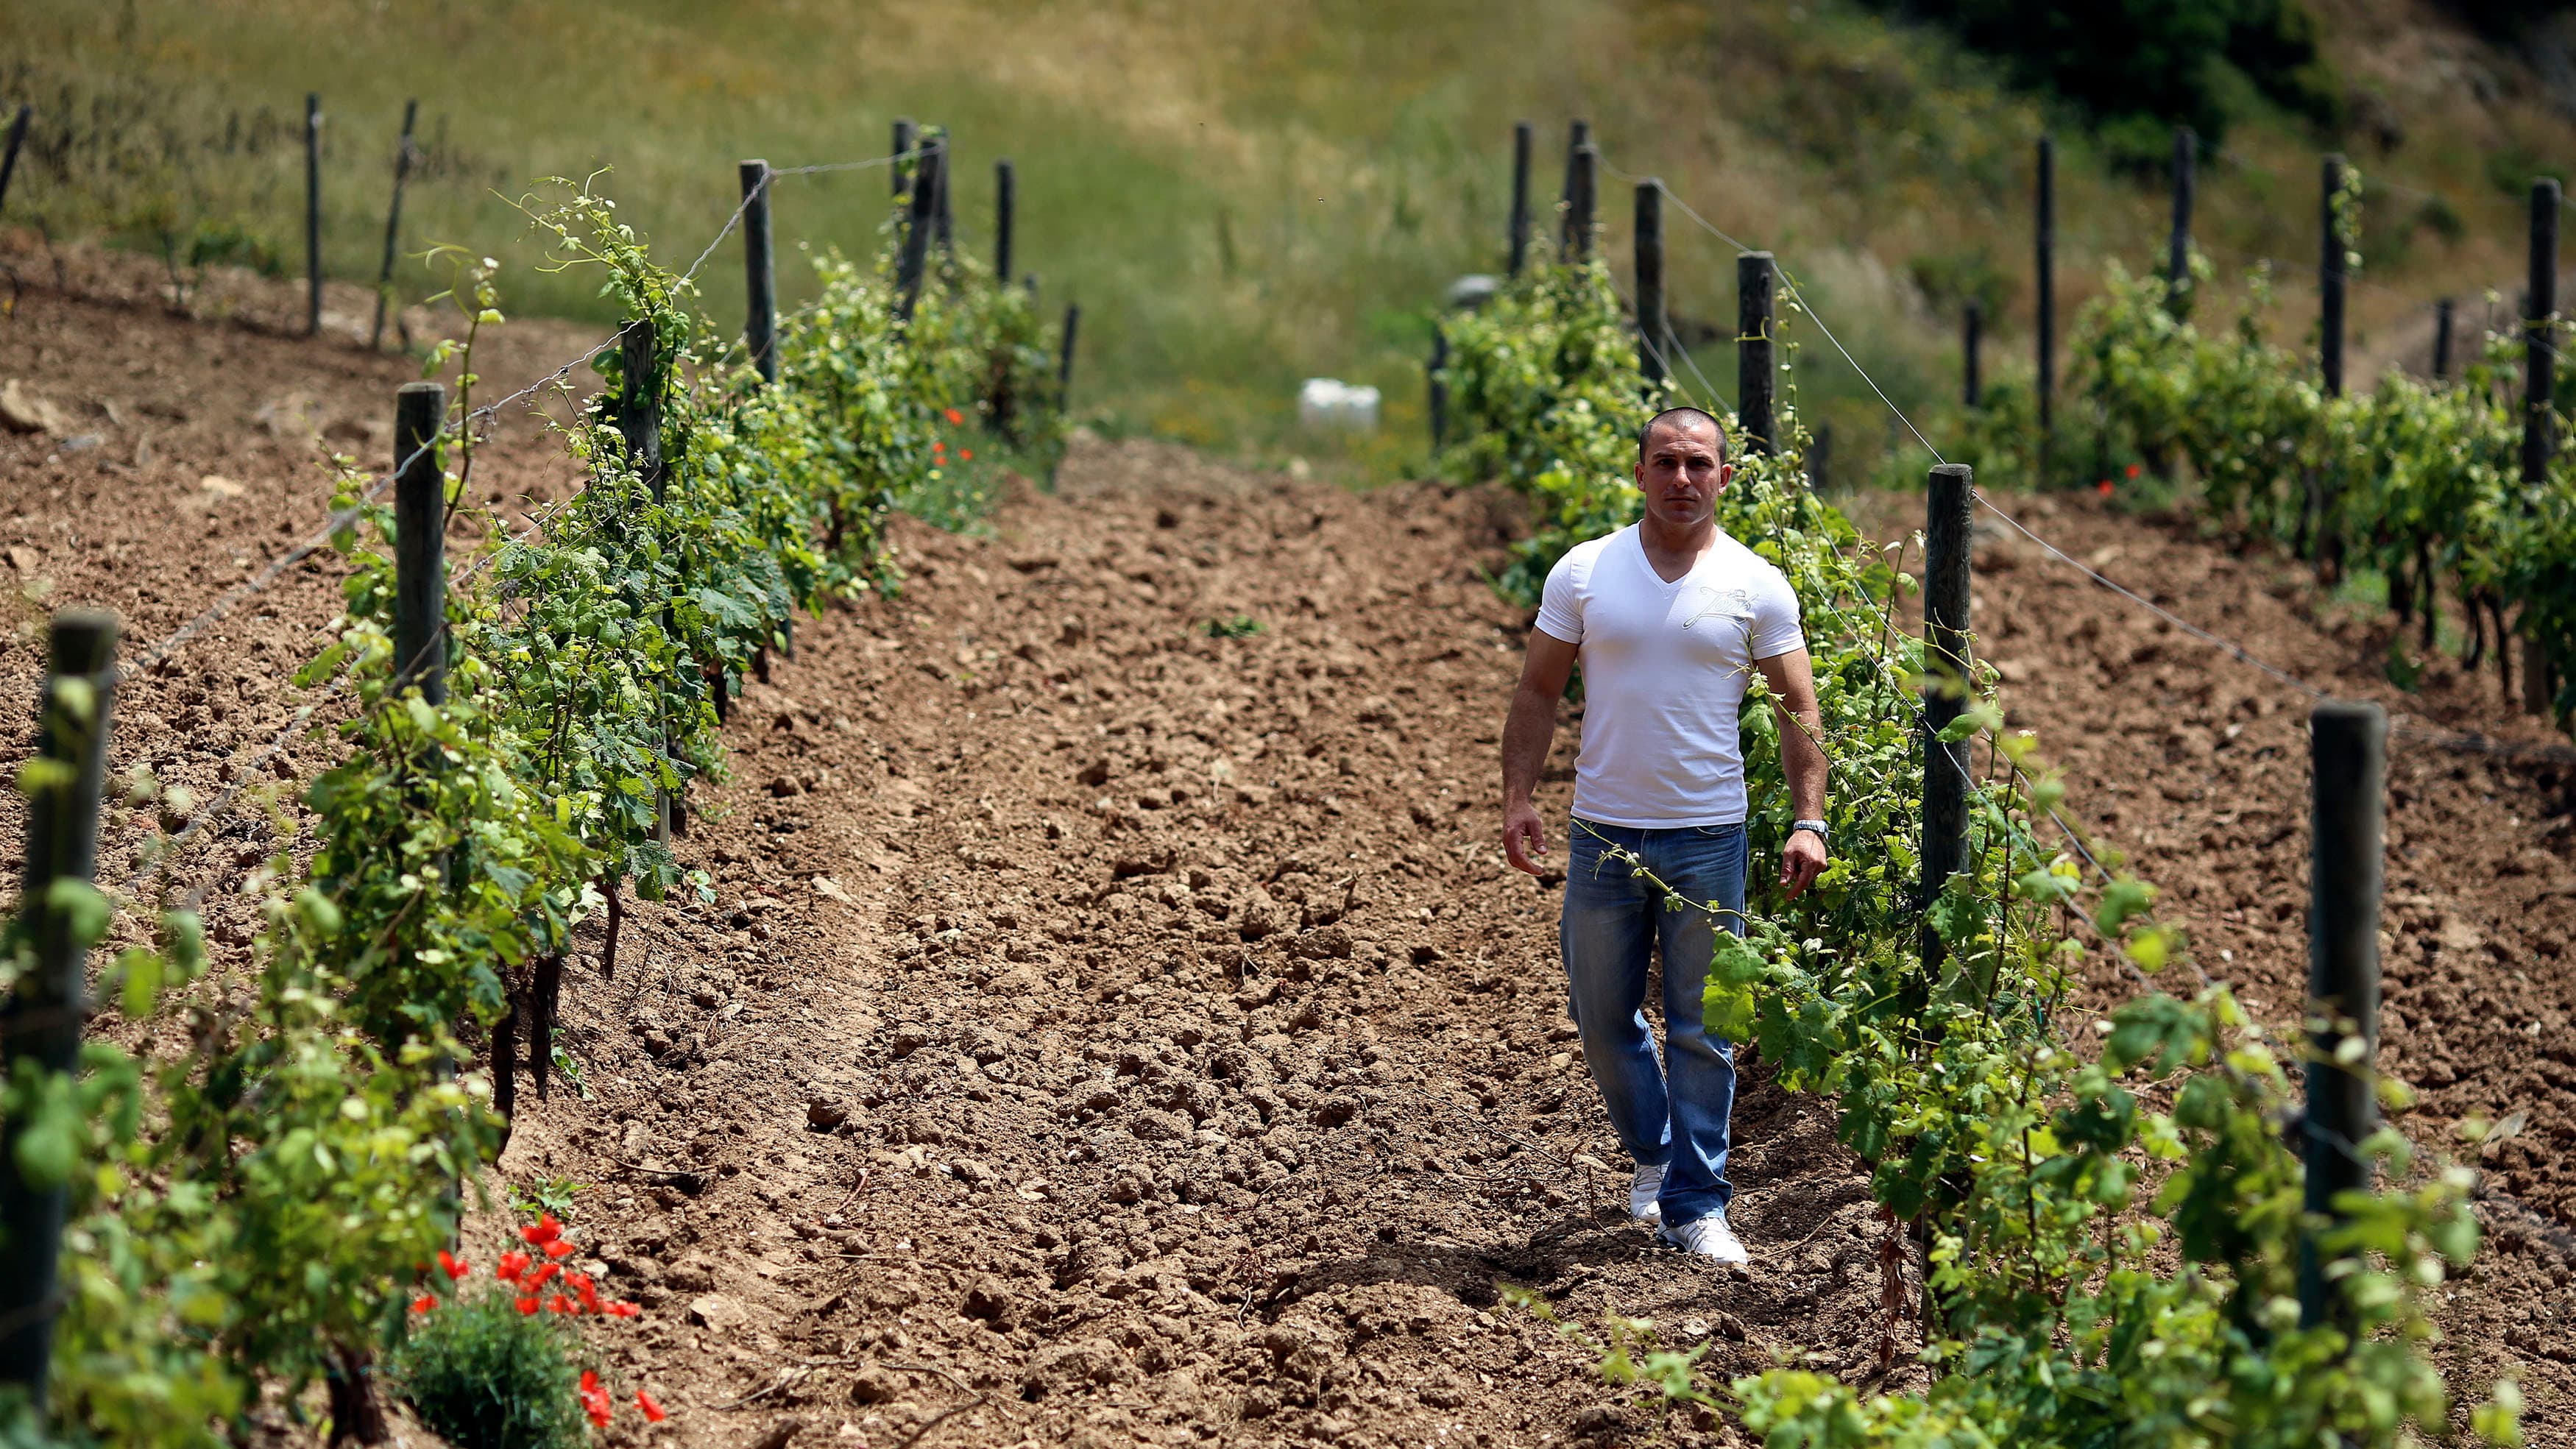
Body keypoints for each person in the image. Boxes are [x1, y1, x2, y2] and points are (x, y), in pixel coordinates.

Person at [1498, 405, 1829, 1264]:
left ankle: (1696, 1202)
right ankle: (1652, 1152)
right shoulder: (1584, 572)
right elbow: (1538, 690)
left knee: (1702, 1027)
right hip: (1601, 832)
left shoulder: (1755, 584)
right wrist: (1517, 795)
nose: (1681, 479)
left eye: (1698, 464)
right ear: (1639, 472)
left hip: (1707, 836)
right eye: (1665, 463)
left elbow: (1798, 707)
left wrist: (1807, 819)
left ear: (1723, 477)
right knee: (1600, 1013)